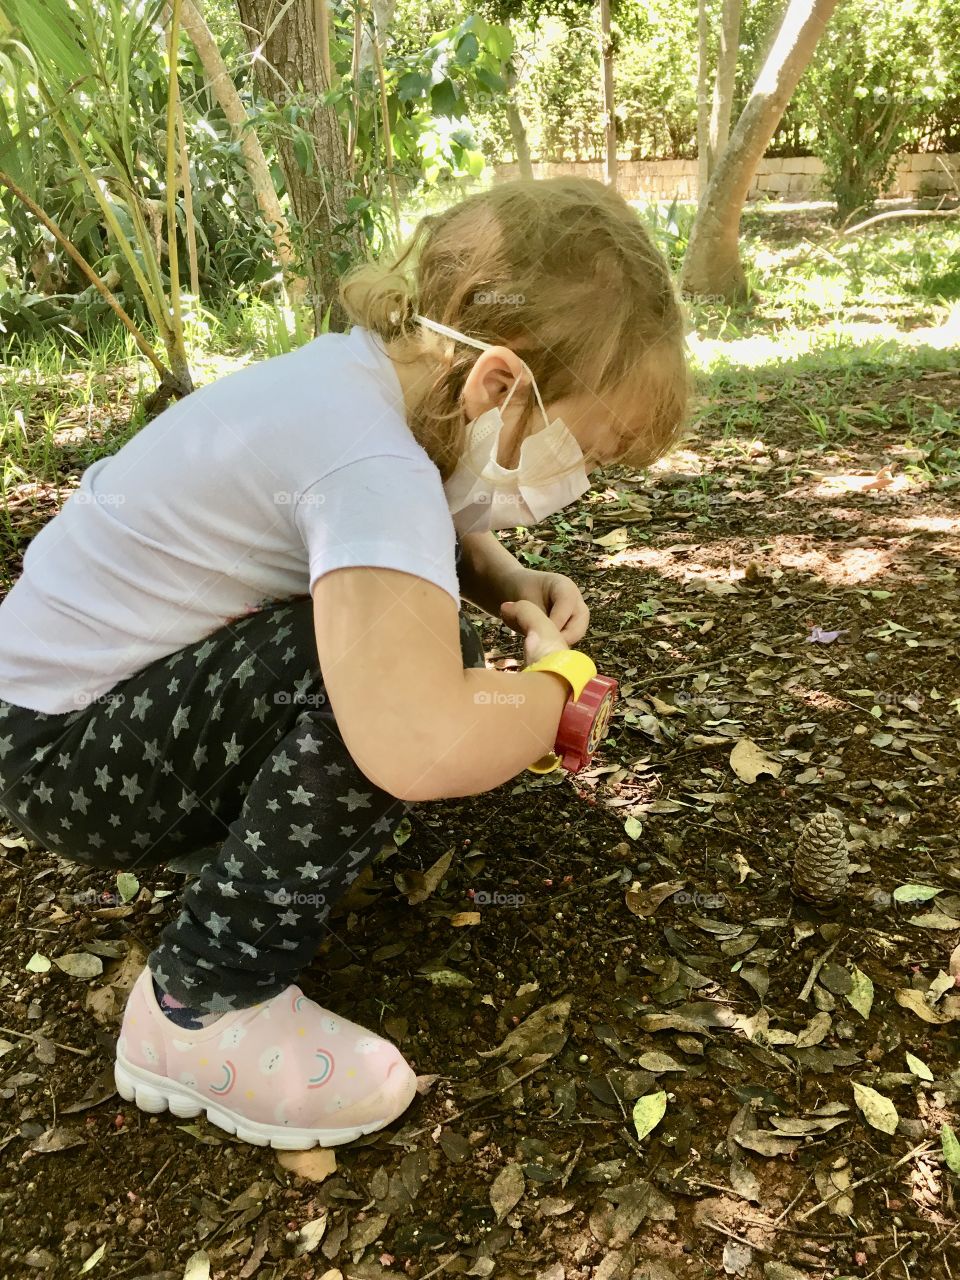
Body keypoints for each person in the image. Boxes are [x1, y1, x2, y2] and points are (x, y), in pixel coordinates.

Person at [0, 177, 691, 1150]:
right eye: (587, 446)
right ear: (499, 381)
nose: (581, 478)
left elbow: (421, 521)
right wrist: (558, 699)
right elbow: (415, 735)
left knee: (406, 639)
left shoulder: (362, 387)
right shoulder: (367, 461)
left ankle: (239, 852)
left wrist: (508, 579)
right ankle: (203, 1003)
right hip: (64, 753)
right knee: (388, 677)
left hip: (65, 711)